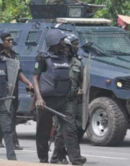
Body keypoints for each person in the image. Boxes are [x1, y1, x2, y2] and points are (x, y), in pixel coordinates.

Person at [32, 29, 86, 165]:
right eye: (62, 40)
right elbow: (35, 77)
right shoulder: (42, 57)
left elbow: (79, 75)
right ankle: (43, 159)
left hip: (64, 100)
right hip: (46, 100)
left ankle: (75, 159)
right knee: (43, 131)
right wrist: (39, 98)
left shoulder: (67, 56)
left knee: (70, 129)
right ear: (54, 42)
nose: (64, 43)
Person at [0, 32, 33, 150]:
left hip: (14, 90)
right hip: (3, 90)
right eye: (8, 40)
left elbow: (18, 72)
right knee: (9, 115)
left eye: (11, 40)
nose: (10, 42)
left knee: (12, 116)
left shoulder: (15, 55)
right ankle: (14, 142)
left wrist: (28, 83)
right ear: (2, 42)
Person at [51, 34, 85, 164]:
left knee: (72, 128)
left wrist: (82, 90)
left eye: (67, 48)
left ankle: (57, 155)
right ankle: (70, 157)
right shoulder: (56, 61)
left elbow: (83, 81)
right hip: (58, 100)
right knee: (63, 129)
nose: (64, 50)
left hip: (72, 100)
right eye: (63, 47)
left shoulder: (77, 63)